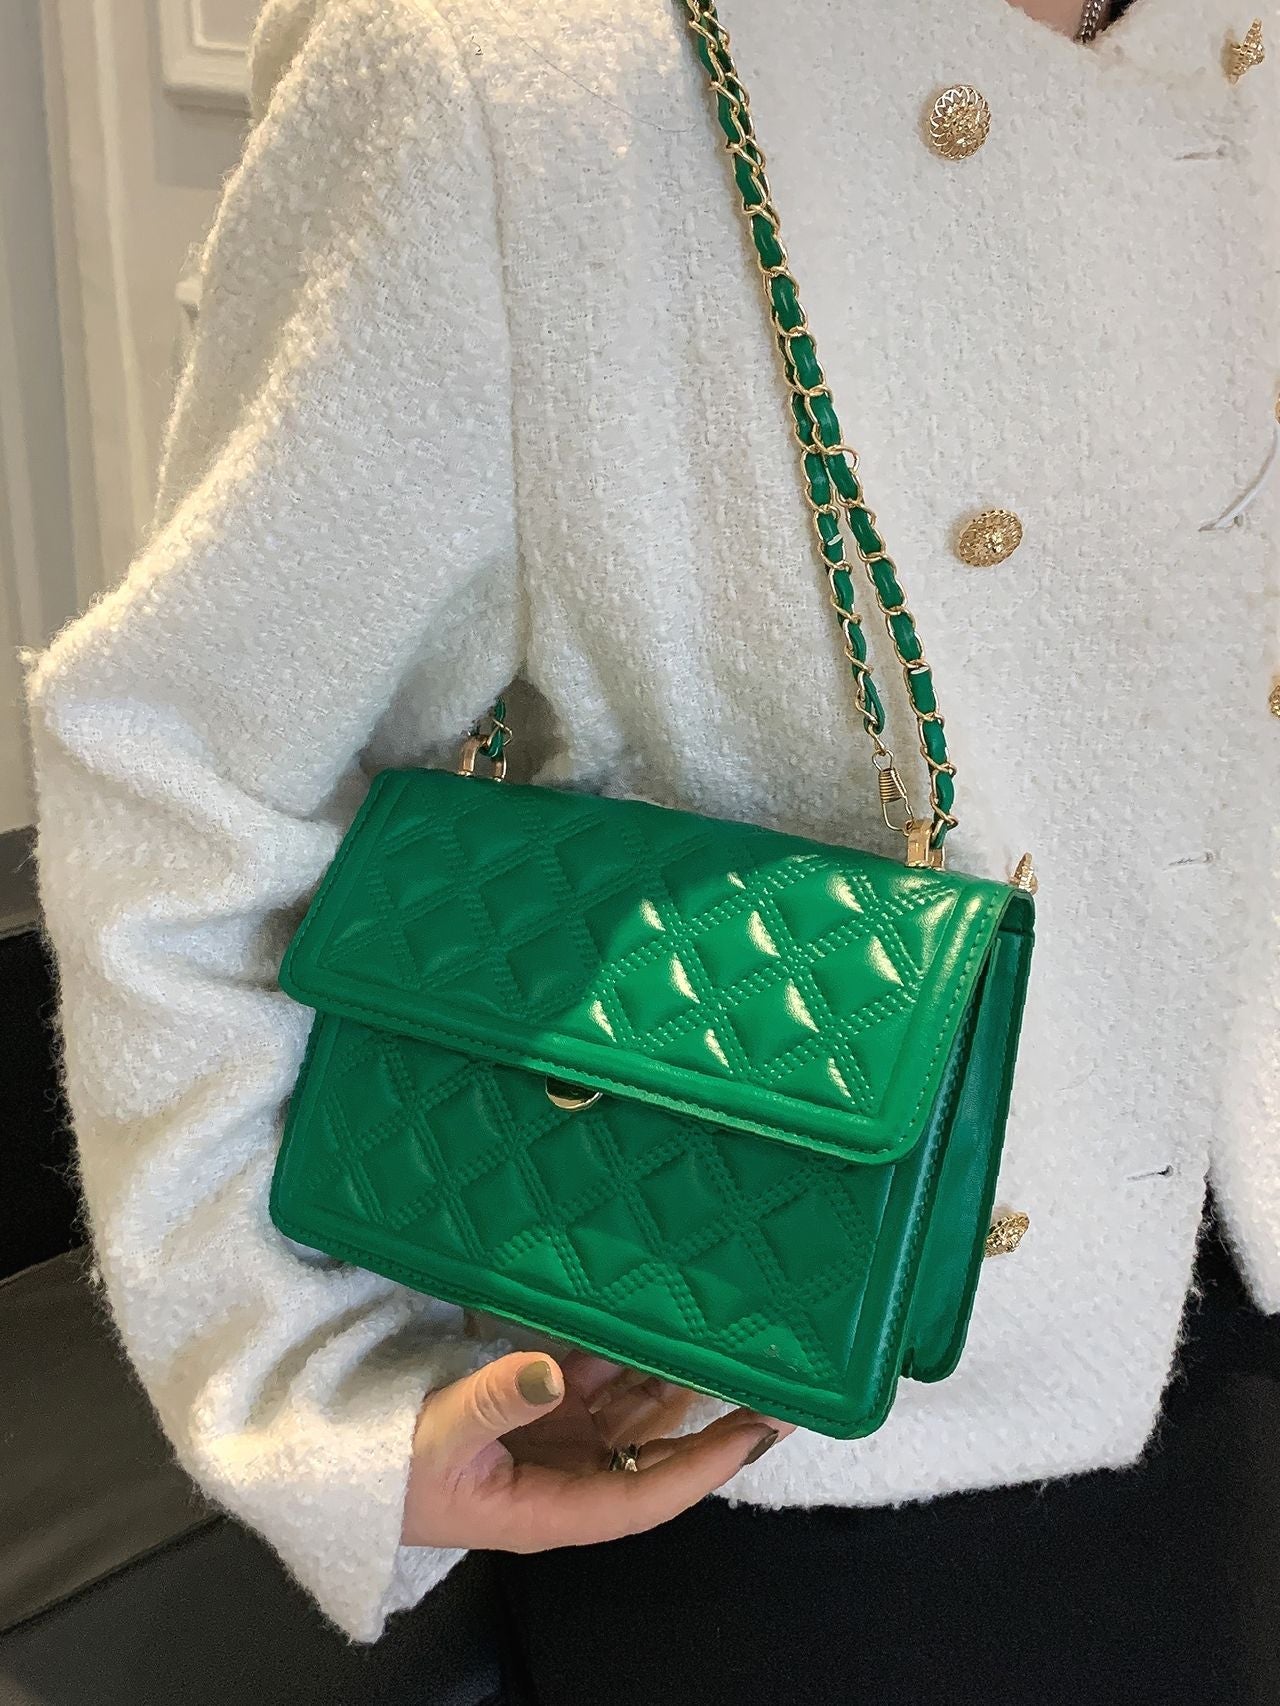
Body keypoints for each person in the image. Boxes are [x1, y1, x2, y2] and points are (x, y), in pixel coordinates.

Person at [23, 0, 1278, 1693]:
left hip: (1237, 1302)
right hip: (790, 1428)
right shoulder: (512, 74)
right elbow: (183, 754)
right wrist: (307, 1369)